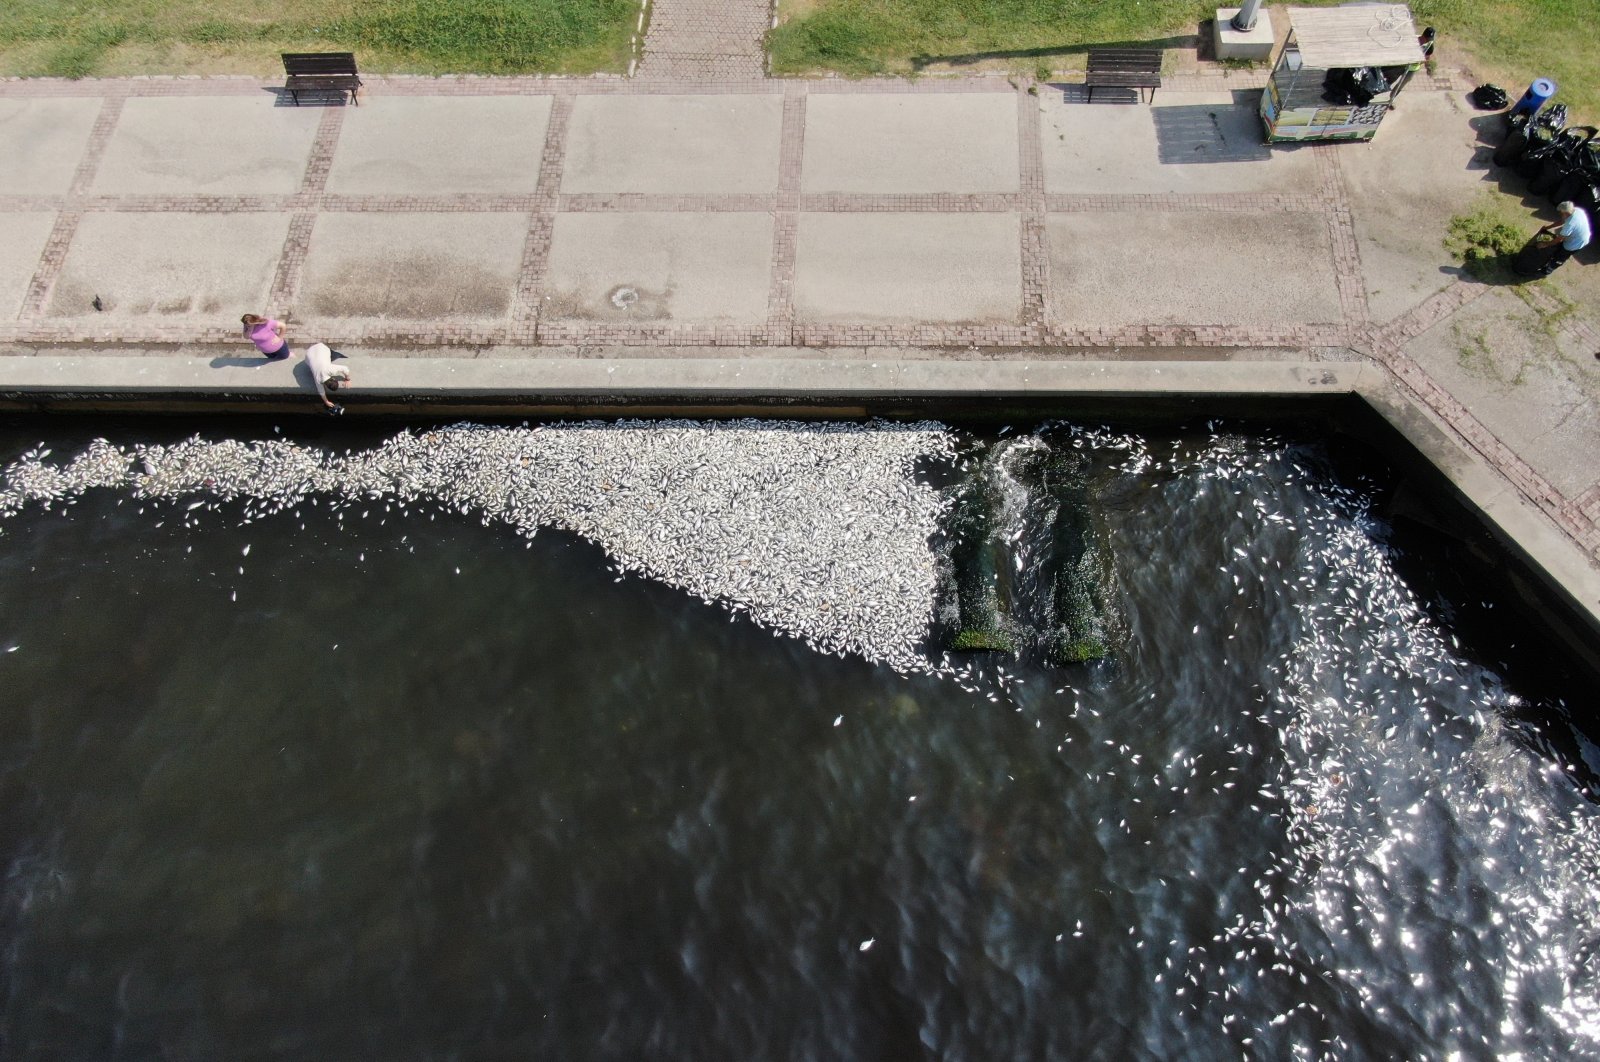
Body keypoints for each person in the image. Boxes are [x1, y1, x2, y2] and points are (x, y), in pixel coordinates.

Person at [1536, 201, 1591, 276]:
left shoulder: (1570, 224)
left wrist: (1545, 244)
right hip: (1580, 236)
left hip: (1576, 243)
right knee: (1558, 250)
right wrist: (1547, 227)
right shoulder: (1576, 210)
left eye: (1561, 213)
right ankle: (1551, 259)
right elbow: (1561, 221)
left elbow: (1559, 239)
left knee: (1560, 256)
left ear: (1565, 213)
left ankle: (1548, 270)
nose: (1560, 214)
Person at [305, 341, 352, 414]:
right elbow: (321, 392)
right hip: (313, 352)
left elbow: (345, 369)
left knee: (330, 357)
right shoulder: (319, 379)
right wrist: (326, 401)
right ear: (333, 378)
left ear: (333, 379)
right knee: (333, 356)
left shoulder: (324, 374)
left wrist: (347, 379)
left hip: (314, 350)